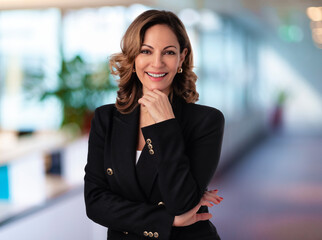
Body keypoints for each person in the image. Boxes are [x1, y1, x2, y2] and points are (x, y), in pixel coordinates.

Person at [84, 9, 225, 240]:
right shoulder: (105, 119)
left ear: (182, 57)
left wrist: (165, 124)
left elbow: (181, 202)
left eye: (168, 52)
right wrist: (167, 220)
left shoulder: (207, 121)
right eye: (145, 51)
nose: (157, 63)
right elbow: (95, 203)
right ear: (133, 57)